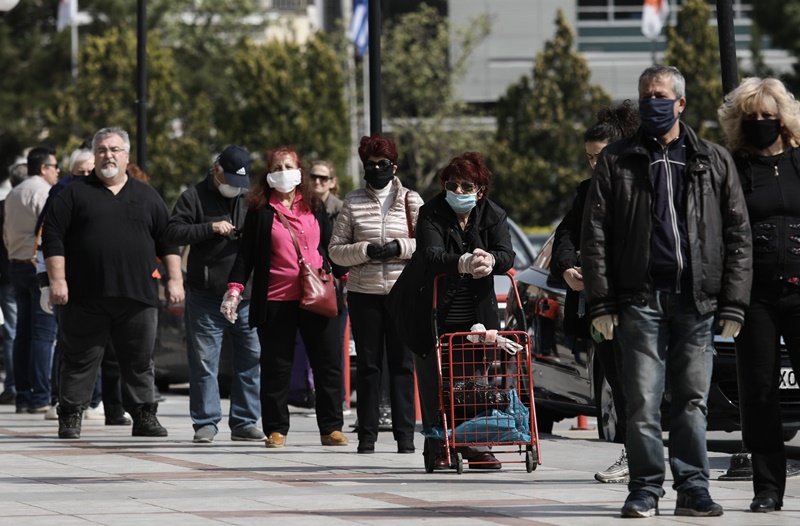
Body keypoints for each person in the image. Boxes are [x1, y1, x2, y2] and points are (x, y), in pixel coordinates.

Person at [581, 65, 752, 518]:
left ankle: (694, 488)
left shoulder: (713, 159)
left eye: (659, 95)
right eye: (644, 96)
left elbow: (738, 233)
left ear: (680, 103)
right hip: (640, 301)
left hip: (696, 302)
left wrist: (734, 301)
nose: (650, 103)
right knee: (641, 402)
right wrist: (601, 301)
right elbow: (594, 233)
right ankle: (644, 489)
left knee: (693, 401)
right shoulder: (616, 160)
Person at [41, 127, 184, 439]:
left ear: (126, 156)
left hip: (138, 298)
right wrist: (57, 281)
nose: (108, 155)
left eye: (115, 149)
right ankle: (70, 417)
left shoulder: (147, 196)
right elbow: (53, 239)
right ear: (94, 156)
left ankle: (144, 416)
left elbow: (168, 241)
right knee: (78, 359)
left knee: (139, 361)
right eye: (102, 150)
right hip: (83, 297)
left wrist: (175, 279)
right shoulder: (74, 195)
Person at [222, 146, 349, 448]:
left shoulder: (315, 205)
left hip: (318, 294)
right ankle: (276, 428)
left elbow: (332, 247)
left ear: (299, 171)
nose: (282, 172)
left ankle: (330, 428)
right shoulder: (261, 211)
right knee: (277, 366)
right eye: (276, 167)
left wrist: (346, 279)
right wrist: (234, 291)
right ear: (268, 175)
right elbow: (246, 257)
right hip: (277, 298)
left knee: (328, 363)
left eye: (288, 166)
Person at [718, 77, 800, 513]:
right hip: (755, 298)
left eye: (769, 117)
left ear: (783, 118)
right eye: (752, 118)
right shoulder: (733, 167)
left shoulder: (799, 162)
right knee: (759, 392)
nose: (761, 124)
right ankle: (767, 488)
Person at [550, 100, 639, 484]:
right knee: (618, 381)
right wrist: (569, 266)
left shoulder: (640, 187)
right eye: (588, 158)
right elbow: (566, 235)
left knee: (643, 381)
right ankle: (633, 456)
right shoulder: (586, 192)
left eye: (599, 157)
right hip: (597, 304)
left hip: (634, 301)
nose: (593, 165)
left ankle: (655, 458)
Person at [412, 151, 514, 469]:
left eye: (466, 186)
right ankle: (437, 446)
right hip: (433, 311)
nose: (458, 192)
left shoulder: (492, 215)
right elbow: (430, 254)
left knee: (470, 382)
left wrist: (491, 260)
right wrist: (463, 262)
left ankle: (472, 443)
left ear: (480, 190)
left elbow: (507, 255)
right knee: (434, 383)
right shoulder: (431, 212)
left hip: (475, 315)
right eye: (452, 185)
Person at [164, 145, 264, 444]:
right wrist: (209, 228)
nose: (236, 188)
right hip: (207, 295)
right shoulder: (193, 196)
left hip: (246, 294)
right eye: (231, 180)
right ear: (217, 170)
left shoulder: (252, 198)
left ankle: (245, 421)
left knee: (251, 358)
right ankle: (205, 422)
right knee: (204, 362)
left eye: (241, 183)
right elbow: (173, 233)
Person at [328, 135, 423, 454]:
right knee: (369, 365)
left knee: (402, 364)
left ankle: (405, 436)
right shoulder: (352, 202)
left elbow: (427, 245)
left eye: (383, 164)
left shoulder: (412, 200)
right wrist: (366, 250)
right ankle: (366, 435)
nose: (377, 169)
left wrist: (399, 247)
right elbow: (336, 251)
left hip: (402, 293)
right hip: (363, 293)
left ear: (394, 166)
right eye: (371, 164)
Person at [3, 147, 60, 415]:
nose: (58, 171)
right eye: (55, 166)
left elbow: (6, 234)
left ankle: (23, 396)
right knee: (43, 334)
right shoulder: (43, 192)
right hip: (37, 267)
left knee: (22, 332)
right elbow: (51, 230)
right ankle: (40, 397)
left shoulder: (13, 193)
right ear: (43, 168)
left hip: (16, 265)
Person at [309, 160, 350, 415]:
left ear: (333, 182)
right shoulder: (299, 209)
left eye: (323, 178)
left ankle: (339, 400)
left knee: (334, 350)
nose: (317, 182)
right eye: (313, 177)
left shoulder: (342, 210)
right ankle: (309, 395)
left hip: (333, 289)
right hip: (306, 285)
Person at [0, 160, 28, 405]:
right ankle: (24, 385)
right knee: (28, 330)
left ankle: (13, 385)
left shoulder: (5, 205)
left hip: (8, 276)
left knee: (13, 331)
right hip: (21, 272)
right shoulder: (32, 202)